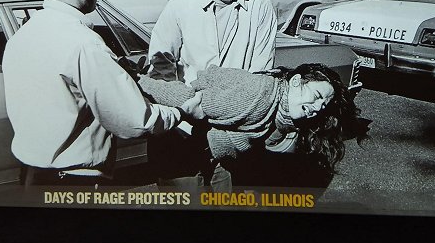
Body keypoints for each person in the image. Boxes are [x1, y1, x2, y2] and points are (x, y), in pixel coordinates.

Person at [1, 0, 192, 187]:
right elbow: (135, 121)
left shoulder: (22, 36)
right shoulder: (84, 44)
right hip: (76, 179)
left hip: (31, 175)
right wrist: (180, 111)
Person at [146, 0, 278, 190]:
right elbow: (161, 66)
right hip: (184, 129)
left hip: (233, 130)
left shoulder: (260, 7)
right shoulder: (181, 6)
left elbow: (261, 73)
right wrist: (182, 106)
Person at [138, 62, 366, 175]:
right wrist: (139, 81)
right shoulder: (260, 97)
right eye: (316, 96)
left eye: (323, 105)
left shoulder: (283, 113)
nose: (317, 108)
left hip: (208, 161)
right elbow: (191, 102)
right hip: (179, 152)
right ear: (296, 82)